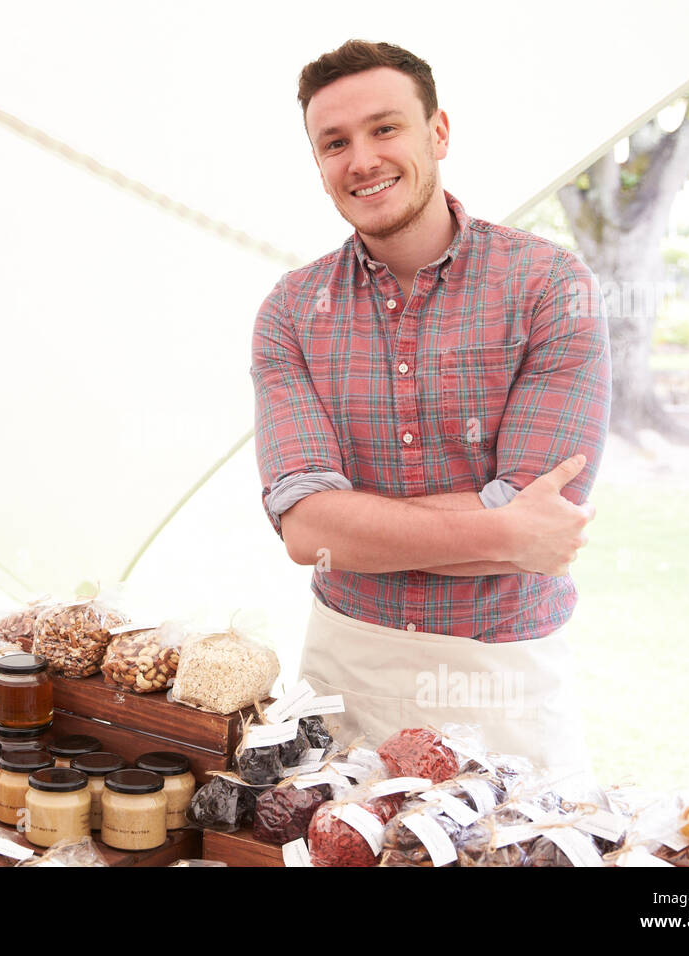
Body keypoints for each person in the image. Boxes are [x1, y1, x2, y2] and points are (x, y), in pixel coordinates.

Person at [251, 41, 611, 782]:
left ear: (437, 133)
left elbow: (543, 517)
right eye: (335, 143)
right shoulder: (290, 311)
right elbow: (307, 529)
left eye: (385, 129)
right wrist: (501, 528)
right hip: (344, 666)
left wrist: (362, 523)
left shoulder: (549, 285)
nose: (362, 160)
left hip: (502, 675)